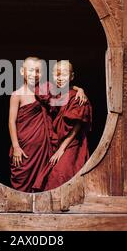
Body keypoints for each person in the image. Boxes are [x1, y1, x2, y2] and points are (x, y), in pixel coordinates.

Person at [9, 57, 87, 192]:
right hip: (24, 146)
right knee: (22, 183)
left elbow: (65, 86)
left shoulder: (45, 90)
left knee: (44, 181)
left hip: (44, 148)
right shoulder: (17, 94)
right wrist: (16, 146)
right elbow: (11, 121)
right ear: (22, 71)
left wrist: (79, 89)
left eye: (38, 71)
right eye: (31, 70)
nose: (34, 74)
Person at [32, 60, 92, 191]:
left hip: (72, 143)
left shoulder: (78, 98)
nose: (59, 78)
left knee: (60, 176)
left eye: (64, 74)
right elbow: (37, 88)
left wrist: (62, 149)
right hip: (55, 142)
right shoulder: (55, 93)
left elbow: (77, 126)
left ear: (72, 76)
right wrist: (78, 87)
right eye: (56, 74)